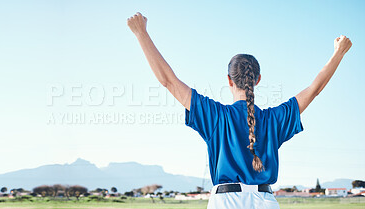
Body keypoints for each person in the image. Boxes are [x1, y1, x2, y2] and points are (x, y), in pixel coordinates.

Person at [127, 12, 352, 209]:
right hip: (266, 201)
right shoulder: (274, 118)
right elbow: (314, 90)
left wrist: (141, 34)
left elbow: (169, 81)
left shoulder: (216, 116)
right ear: (258, 79)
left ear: (228, 79)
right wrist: (338, 53)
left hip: (226, 202)